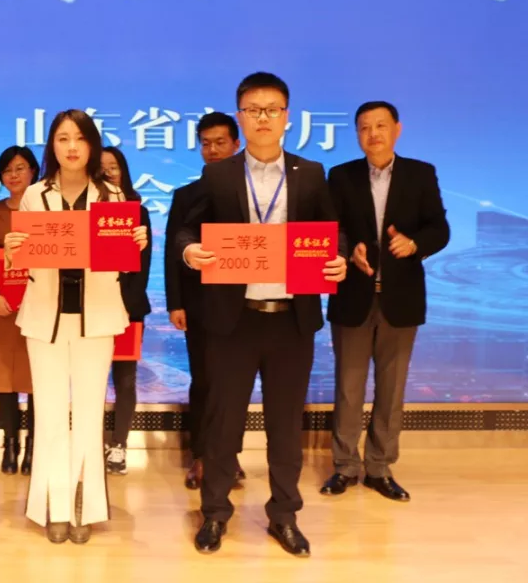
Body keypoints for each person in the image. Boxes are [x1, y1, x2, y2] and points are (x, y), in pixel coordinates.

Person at [178, 72, 347, 557]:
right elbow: (186, 231)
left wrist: (336, 257)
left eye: (273, 109)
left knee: (285, 426)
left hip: (291, 320)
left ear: (287, 117)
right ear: (241, 117)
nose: (263, 118)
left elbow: (331, 232)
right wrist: (190, 252)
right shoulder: (219, 175)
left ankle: (284, 515)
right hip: (233, 320)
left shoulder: (310, 173)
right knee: (222, 423)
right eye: (254, 110)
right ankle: (215, 514)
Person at [5, 110, 148, 545]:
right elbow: (23, 259)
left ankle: (85, 504)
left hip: (97, 316)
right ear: (52, 146)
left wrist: (137, 244)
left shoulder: (114, 196)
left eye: (80, 138)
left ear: (92, 144)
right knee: (49, 413)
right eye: (62, 138)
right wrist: (12, 249)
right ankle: (55, 505)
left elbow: (125, 262)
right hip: (44, 317)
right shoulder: (34, 195)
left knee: (88, 413)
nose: (71, 147)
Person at [321, 101, 449, 502]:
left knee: (391, 390)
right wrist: (347, 252)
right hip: (353, 296)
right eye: (364, 127)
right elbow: (331, 229)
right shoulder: (341, 176)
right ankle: (344, 466)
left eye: (380, 125)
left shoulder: (420, 174)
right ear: (357, 134)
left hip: (401, 298)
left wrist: (415, 243)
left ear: (397, 129)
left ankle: (379, 467)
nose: (372, 134)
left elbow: (439, 228)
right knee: (348, 388)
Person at [165, 112, 246, 489]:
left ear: (236, 144)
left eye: (220, 142)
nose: (212, 150)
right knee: (204, 381)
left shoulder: (252, 192)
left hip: (245, 303)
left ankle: (229, 456)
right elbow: (173, 252)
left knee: (236, 385)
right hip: (200, 303)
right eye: (206, 143)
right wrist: (175, 303)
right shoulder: (186, 195)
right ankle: (200, 455)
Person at [0, 145, 39, 475]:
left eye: (20, 168)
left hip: (38, 305)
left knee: (36, 379)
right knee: (5, 378)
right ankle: (10, 445)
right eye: (7, 170)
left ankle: (34, 447)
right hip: (1, 306)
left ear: (33, 171)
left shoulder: (46, 209)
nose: (13, 175)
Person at [99, 146, 152, 476]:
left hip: (128, 309)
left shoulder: (138, 212)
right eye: (101, 168)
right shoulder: (85, 212)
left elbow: (141, 267)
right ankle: (90, 443)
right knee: (90, 381)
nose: (108, 173)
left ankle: (119, 445)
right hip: (91, 309)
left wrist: (123, 305)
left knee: (125, 380)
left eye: (114, 167)